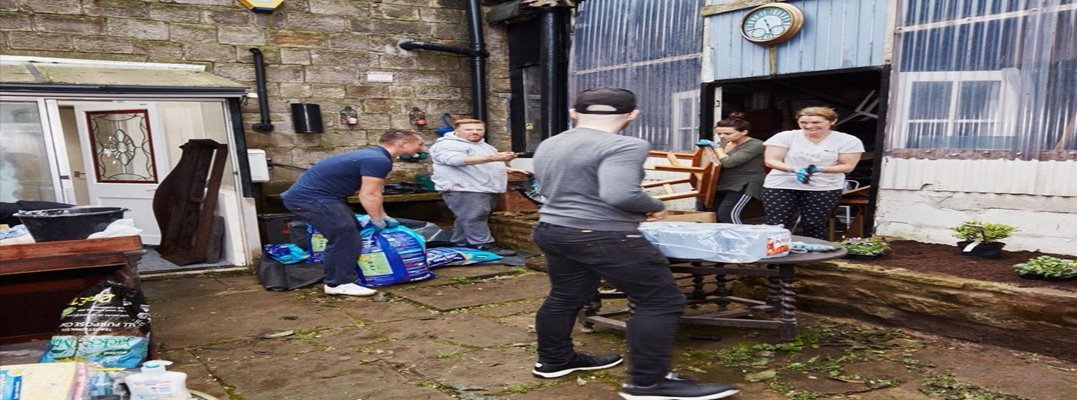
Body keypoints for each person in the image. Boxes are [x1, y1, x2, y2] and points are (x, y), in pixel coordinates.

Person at [530, 87, 739, 400]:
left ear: (574, 113)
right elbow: (620, 194)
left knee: (566, 294)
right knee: (660, 300)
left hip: (554, 228)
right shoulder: (626, 144)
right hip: (603, 234)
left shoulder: (551, 142)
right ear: (632, 115)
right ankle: (648, 383)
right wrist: (655, 205)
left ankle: (554, 360)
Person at [280, 130, 427, 296]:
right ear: (402, 144)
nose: (421, 148)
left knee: (350, 231)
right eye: (419, 144)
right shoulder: (378, 160)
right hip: (312, 199)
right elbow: (368, 194)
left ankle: (344, 275)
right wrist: (377, 219)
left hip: (322, 198)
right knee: (344, 235)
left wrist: (383, 215)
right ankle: (338, 283)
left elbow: (374, 193)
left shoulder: (373, 156)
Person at [762, 107, 864, 240]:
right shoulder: (785, 137)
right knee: (777, 223)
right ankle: (774, 257)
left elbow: (848, 166)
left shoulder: (848, 141)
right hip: (782, 184)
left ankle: (814, 257)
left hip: (824, 186)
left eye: (816, 123)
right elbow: (770, 160)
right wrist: (794, 169)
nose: (809, 126)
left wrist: (819, 169)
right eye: (803, 122)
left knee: (813, 224)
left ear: (832, 121)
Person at [428, 118, 519, 256]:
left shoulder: (482, 145)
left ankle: (460, 242)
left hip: (481, 187)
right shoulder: (447, 145)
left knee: (466, 216)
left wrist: (507, 169)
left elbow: (484, 163)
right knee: (474, 217)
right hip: (464, 188)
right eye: (469, 129)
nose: (475, 132)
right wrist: (495, 158)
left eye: (479, 129)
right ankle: (483, 243)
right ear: (457, 131)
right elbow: (455, 160)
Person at [695, 112, 766, 224]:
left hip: (744, 183)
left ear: (744, 132)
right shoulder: (724, 143)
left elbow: (729, 162)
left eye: (728, 133)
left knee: (728, 214)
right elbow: (714, 162)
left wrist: (716, 148)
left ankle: (739, 239)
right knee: (713, 214)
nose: (722, 137)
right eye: (719, 134)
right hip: (723, 183)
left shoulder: (756, 145)